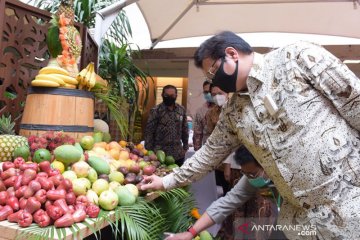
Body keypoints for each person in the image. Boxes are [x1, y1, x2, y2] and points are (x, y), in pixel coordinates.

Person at [142, 31, 360, 239]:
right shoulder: (233, 112)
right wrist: (165, 181)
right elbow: (208, 155)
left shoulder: (296, 58)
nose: (214, 82)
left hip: (350, 205)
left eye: (213, 72)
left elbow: (355, 103)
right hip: (304, 225)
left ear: (231, 54)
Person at [165, 146, 281, 240]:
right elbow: (226, 203)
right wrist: (191, 233)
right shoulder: (252, 177)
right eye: (245, 173)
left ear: (267, 164)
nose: (250, 178)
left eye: (253, 174)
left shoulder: (291, 177)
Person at [144, 85, 189, 166]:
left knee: (178, 177)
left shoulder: (181, 110)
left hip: (178, 153)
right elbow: (149, 132)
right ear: (162, 95)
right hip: (159, 153)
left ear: (176, 96)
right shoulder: (156, 111)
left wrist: (185, 146)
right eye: (166, 95)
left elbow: (185, 129)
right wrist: (149, 151)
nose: (169, 98)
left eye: (172, 96)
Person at [192, 80, 214, 151]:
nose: (208, 94)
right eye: (206, 92)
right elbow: (197, 134)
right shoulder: (201, 111)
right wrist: (197, 151)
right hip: (207, 149)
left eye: (210, 91)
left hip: (227, 152)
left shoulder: (227, 107)